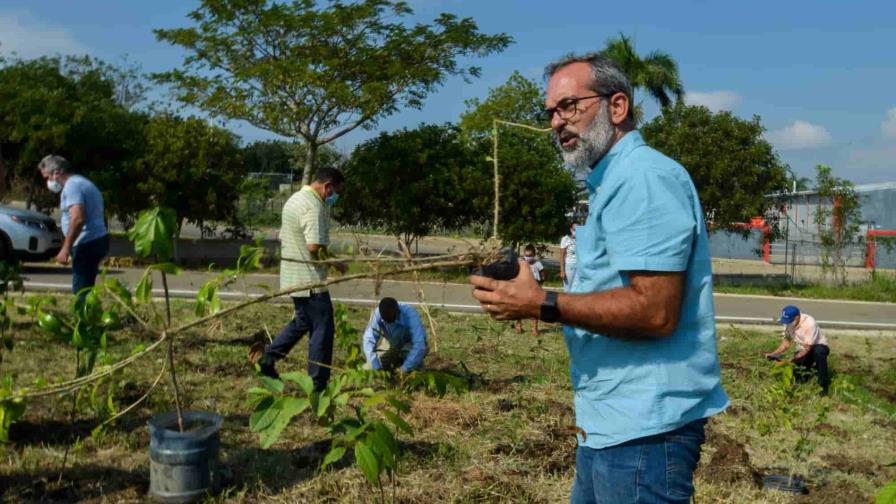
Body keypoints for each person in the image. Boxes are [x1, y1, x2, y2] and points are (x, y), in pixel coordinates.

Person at [469, 53, 728, 504]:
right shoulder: (608, 182)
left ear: (617, 107)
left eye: (569, 106)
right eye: (550, 111)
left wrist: (543, 304)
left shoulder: (642, 178)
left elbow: (655, 311)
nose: (556, 122)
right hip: (612, 420)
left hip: (646, 431)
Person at [260, 168, 347, 391]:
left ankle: (267, 358)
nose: (334, 197)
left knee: (302, 323)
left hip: (292, 276)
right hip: (310, 282)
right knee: (322, 329)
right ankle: (318, 384)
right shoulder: (313, 206)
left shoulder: (295, 199)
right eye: (335, 192)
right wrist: (335, 263)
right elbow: (313, 247)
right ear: (327, 186)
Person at [38, 155, 109, 297]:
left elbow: (78, 218)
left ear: (57, 173)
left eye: (47, 178)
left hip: (86, 243)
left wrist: (65, 248)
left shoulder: (72, 186)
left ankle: (82, 318)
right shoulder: (81, 182)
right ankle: (87, 316)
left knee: (81, 290)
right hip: (93, 240)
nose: (48, 183)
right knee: (86, 287)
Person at [764, 305, 830, 395]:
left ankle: (823, 386)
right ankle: (808, 376)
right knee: (798, 375)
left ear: (797, 317)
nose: (787, 324)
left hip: (817, 346)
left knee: (819, 353)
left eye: (789, 321)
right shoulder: (788, 324)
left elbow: (808, 348)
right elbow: (786, 343)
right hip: (802, 348)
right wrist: (773, 354)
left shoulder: (809, 323)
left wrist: (790, 360)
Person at [362, 297, 428, 373]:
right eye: (386, 318)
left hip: (411, 343)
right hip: (392, 342)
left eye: (391, 316)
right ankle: (395, 362)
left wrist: (404, 369)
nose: (389, 319)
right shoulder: (377, 314)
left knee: (407, 354)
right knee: (369, 367)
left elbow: (419, 345)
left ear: (397, 311)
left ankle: (418, 370)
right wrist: (376, 365)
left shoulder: (410, 314)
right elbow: (368, 339)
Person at [516, 244, 545, 335]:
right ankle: (518, 326)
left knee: (534, 309)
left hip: (534, 290)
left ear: (534, 255)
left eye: (530, 256)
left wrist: (540, 284)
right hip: (522, 289)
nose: (527, 258)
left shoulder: (538, 264)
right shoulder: (522, 264)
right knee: (519, 308)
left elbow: (543, 275)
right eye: (526, 256)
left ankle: (534, 328)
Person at [559, 223, 577, 291]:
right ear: (570, 229)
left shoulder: (581, 239)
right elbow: (561, 256)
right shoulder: (565, 239)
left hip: (580, 267)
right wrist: (562, 271)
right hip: (570, 266)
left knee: (577, 290)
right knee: (568, 289)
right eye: (574, 229)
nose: (576, 231)